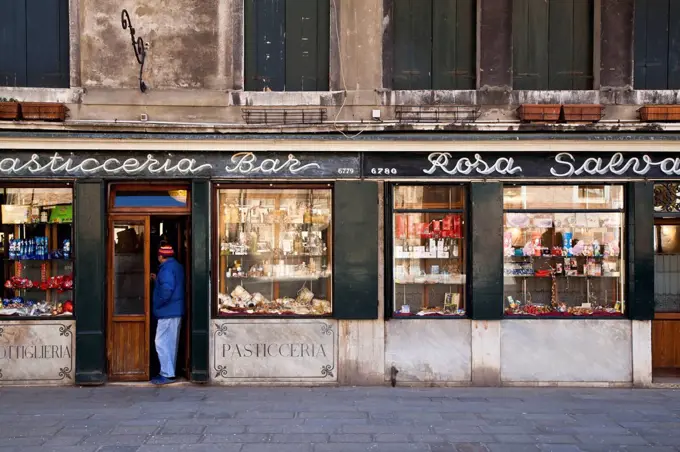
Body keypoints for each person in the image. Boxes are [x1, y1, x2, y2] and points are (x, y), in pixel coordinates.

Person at [150, 244, 185, 385]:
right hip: (175, 310)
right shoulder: (176, 266)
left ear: (161, 256)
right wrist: (156, 280)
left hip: (167, 311)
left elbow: (167, 290)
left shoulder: (166, 269)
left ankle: (167, 373)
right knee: (170, 343)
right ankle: (169, 371)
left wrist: (157, 304)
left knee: (161, 342)